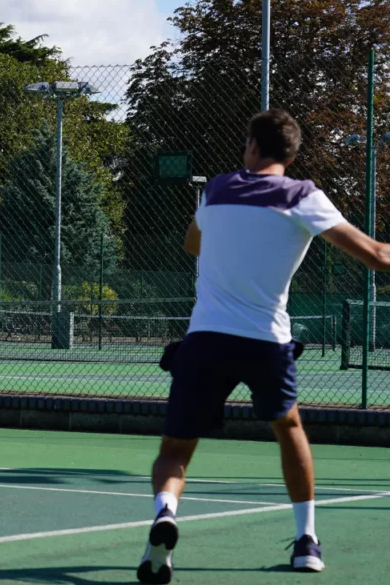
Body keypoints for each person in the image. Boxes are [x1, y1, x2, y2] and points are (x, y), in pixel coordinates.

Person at [137, 109, 390, 584]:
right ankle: (306, 541)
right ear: (290, 155)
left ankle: (165, 513)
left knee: (175, 450)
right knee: (289, 428)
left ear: (252, 146)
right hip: (266, 342)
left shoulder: (215, 189)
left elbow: (193, 244)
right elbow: (378, 257)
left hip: (205, 339)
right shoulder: (303, 196)